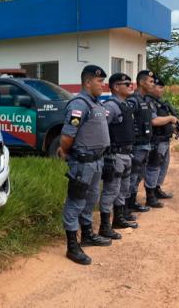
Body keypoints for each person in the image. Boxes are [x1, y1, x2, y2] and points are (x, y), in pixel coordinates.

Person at [57, 65, 112, 265]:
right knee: (76, 201)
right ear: (88, 82)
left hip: (97, 161)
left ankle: (87, 235)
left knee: (91, 199)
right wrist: (65, 150)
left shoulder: (96, 103)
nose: (103, 85)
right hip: (82, 163)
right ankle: (72, 246)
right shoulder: (79, 105)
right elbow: (67, 136)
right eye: (99, 81)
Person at [127, 70, 178, 211]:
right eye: (151, 82)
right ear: (142, 82)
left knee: (141, 173)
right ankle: (136, 201)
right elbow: (151, 121)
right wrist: (170, 119)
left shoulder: (145, 100)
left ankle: (135, 201)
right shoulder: (135, 100)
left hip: (146, 142)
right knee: (138, 173)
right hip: (140, 143)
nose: (153, 85)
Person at [99, 73, 138, 241]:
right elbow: (101, 129)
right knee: (111, 190)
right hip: (115, 155)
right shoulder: (110, 106)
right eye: (126, 83)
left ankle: (119, 219)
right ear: (115, 87)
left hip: (127, 153)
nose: (131, 86)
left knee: (123, 188)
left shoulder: (126, 105)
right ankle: (104, 226)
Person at [144, 76, 174, 200]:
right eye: (159, 87)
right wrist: (171, 118)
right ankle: (150, 194)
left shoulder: (160, 102)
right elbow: (154, 121)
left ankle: (157, 188)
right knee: (154, 166)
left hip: (165, 139)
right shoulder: (148, 101)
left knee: (163, 165)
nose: (162, 90)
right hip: (156, 140)